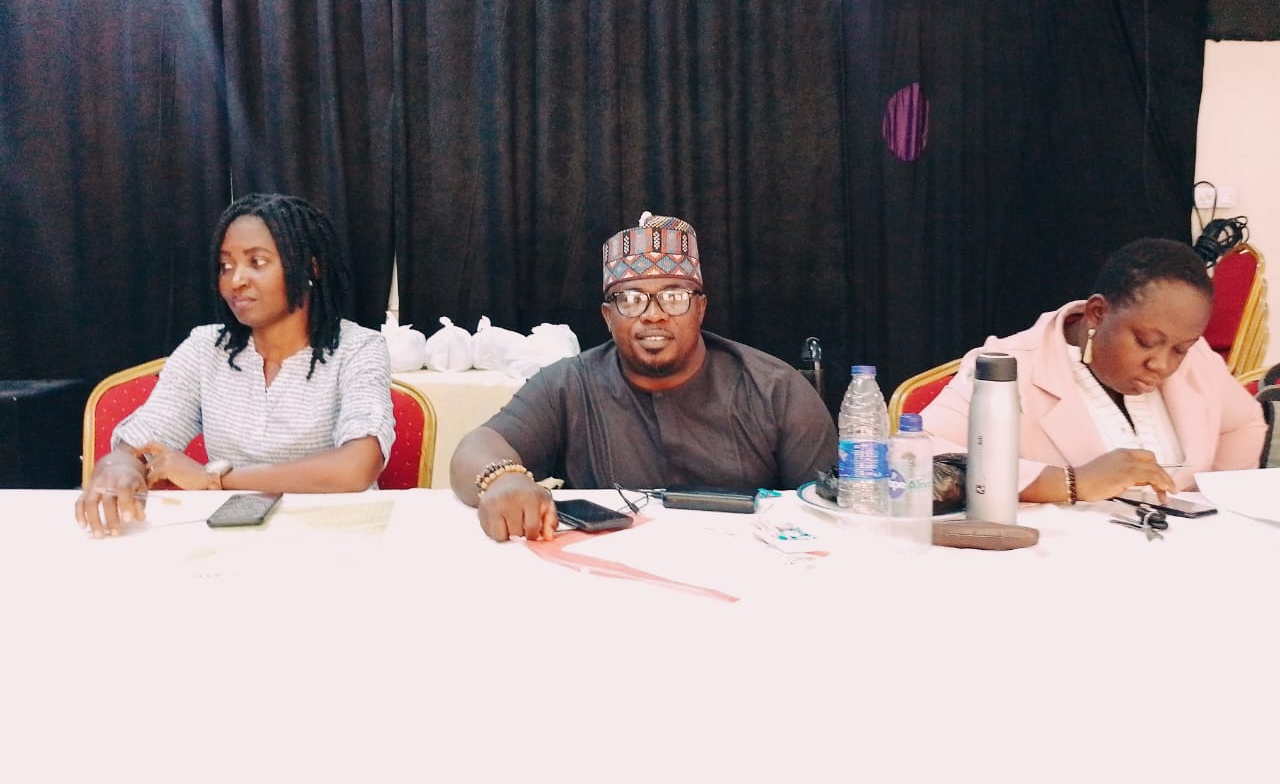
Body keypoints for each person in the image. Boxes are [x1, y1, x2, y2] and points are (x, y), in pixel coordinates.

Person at [450, 212, 837, 542]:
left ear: (700, 309)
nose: (654, 314)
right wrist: (503, 480)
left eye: (674, 297)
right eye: (632, 300)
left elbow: (828, 512)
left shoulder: (775, 389)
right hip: (604, 578)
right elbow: (476, 448)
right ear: (608, 317)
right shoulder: (568, 386)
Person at [76, 193, 396, 538]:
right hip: (231, 535)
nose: (235, 280)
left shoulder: (357, 348)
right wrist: (120, 467)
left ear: (311, 268)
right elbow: (141, 441)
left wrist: (214, 479)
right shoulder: (206, 348)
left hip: (336, 535)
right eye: (225, 265)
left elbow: (357, 465)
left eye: (257, 262)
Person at [921, 237, 1266, 504]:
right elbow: (921, 456)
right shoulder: (1007, 367)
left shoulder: (1196, 359)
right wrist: (1070, 483)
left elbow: (1245, 423)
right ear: (1097, 313)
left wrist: (1211, 502)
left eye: (1179, 349)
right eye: (1146, 341)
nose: (1162, 364)